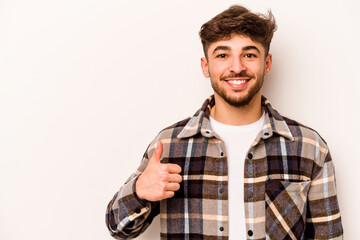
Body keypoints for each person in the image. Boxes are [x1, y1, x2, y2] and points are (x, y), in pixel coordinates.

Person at [106, 5, 343, 239]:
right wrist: (139, 192)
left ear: (267, 64)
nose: (237, 67)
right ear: (205, 66)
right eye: (222, 55)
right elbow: (117, 228)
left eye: (249, 55)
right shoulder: (169, 145)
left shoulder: (309, 148)